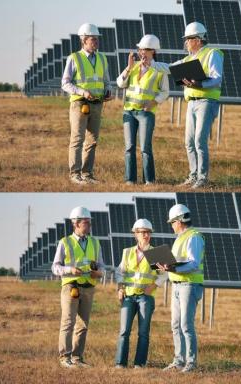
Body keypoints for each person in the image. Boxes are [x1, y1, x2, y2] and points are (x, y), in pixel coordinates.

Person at [51, 206, 105, 368]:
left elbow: (102, 266)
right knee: (68, 322)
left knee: (83, 325)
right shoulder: (65, 242)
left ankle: (77, 358)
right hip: (71, 287)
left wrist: (99, 273)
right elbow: (55, 267)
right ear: (76, 223)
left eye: (89, 222)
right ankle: (64, 357)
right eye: (86, 223)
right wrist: (70, 270)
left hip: (88, 287)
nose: (89, 225)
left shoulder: (95, 243)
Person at [61, 23, 113, 185]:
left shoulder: (102, 58)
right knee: (77, 139)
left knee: (92, 141)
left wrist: (108, 90)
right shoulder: (74, 58)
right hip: (79, 104)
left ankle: (87, 175)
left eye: (97, 39)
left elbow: (106, 81)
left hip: (97, 104)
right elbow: (65, 83)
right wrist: (82, 92)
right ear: (83, 40)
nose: (96, 41)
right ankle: (74, 174)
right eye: (93, 39)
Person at [116, 35, 170, 185]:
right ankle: (130, 180)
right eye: (140, 49)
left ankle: (149, 181)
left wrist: (153, 102)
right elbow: (120, 83)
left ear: (153, 51)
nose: (141, 53)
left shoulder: (160, 70)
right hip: (129, 112)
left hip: (146, 113)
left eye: (144, 50)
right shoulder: (133, 66)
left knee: (145, 148)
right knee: (129, 147)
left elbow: (165, 92)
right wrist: (128, 67)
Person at [114, 219, 167, 368]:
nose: (146, 235)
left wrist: (153, 285)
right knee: (124, 331)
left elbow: (165, 273)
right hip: (129, 297)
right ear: (135, 234)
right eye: (142, 232)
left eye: (148, 232)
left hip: (145, 297)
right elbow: (120, 272)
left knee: (143, 333)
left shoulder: (156, 252)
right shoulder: (127, 252)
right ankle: (120, 363)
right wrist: (120, 287)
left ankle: (139, 364)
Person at [157, 204, 205, 373]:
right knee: (176, 324)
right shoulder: (180, 238)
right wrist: (166, 267)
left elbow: (193, 263)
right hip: (177, 285)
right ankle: (178, 361)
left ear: (179, 221)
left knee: (186, 324)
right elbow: (177, 262)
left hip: (189, 285)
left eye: (172, 222)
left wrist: (174, 269)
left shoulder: (194, 237)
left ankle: (191, 363)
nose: (171, 225)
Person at [177, 21, 224, 188]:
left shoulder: (213, 54)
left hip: (206, 102)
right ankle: (193, 175)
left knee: (199, 141)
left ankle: (202, 178)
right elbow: (169, 68)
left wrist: (199, 84)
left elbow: (217, 78)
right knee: (189, 142)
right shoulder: (188, 58)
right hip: (191, 103)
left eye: (188, 39)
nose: (186, 42)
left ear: (197, 39)